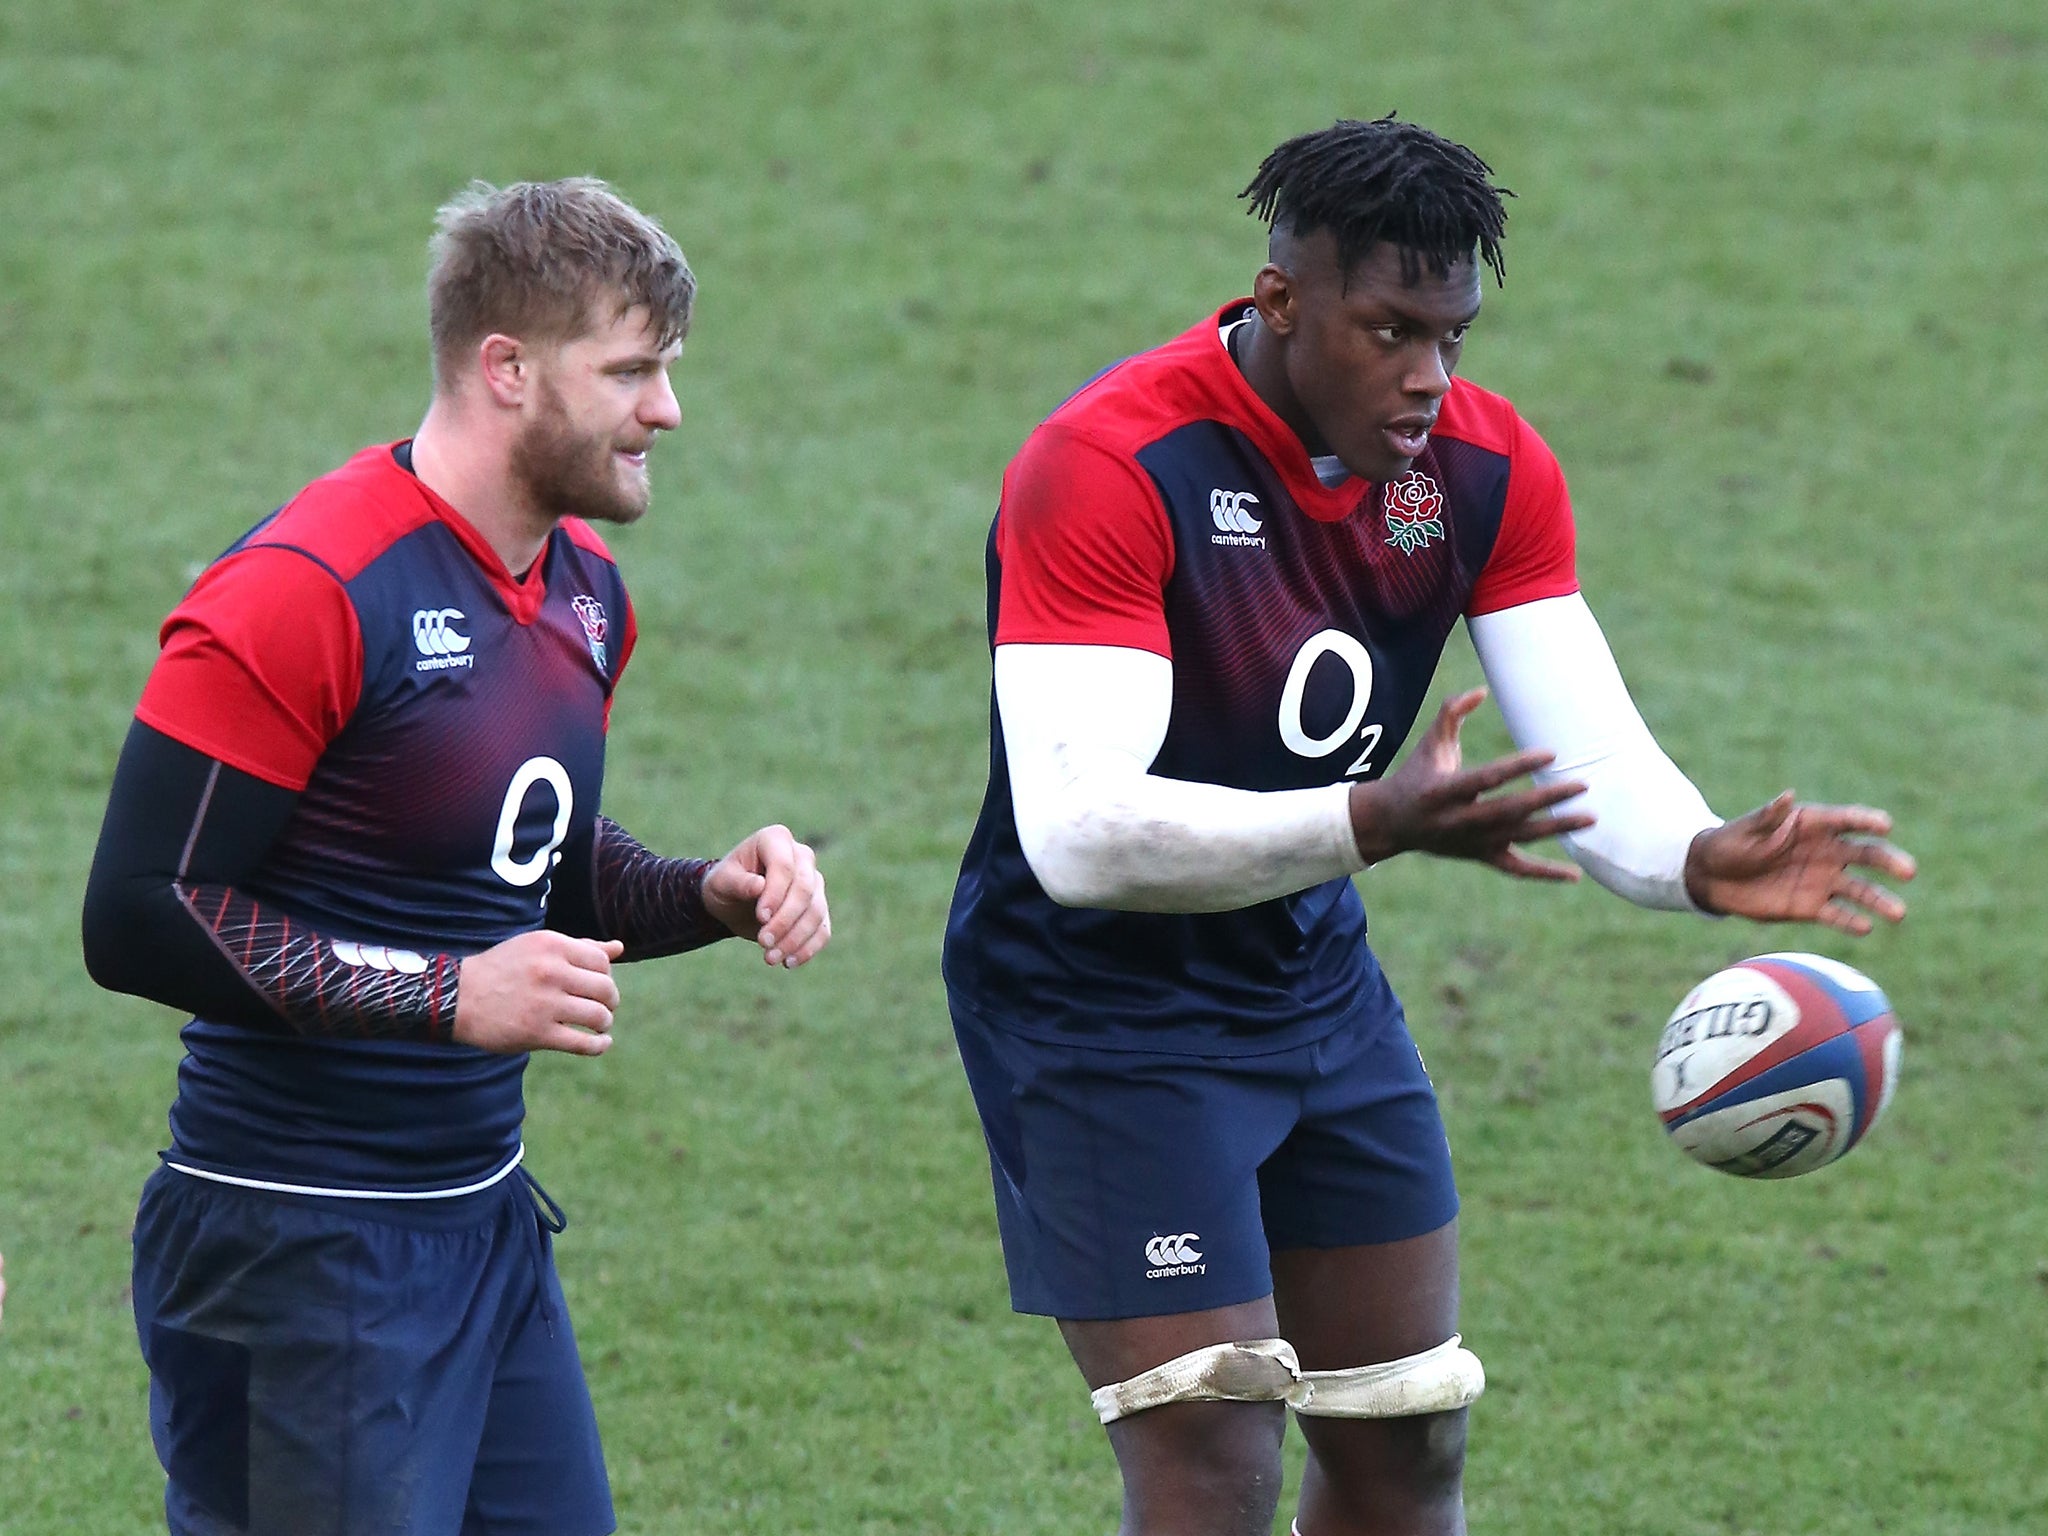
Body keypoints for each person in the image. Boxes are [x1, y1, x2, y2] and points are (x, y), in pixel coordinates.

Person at [941, 116, 1914, 1536]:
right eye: (1387, 331)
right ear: (1281, 304)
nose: (1425, 377)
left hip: (1313, 991)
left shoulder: (1481, 467)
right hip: (1100, 1018)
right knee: (1213, 1462)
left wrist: (1696, 856)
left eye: (1449, 333)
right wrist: (1370, 823)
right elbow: (1081, 836)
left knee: (1407, 1445)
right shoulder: (1106, 465)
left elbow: (1587, 752)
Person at [82, 178, 830, 1536]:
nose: (667, 410)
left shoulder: (584, 592)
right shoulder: (305, 591)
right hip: (295, 1242)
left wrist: (703, 893)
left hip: (480, 1228)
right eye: (633, 372)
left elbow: (519, 862)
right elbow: (137, 915)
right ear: (507, 370)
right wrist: (445, 994)